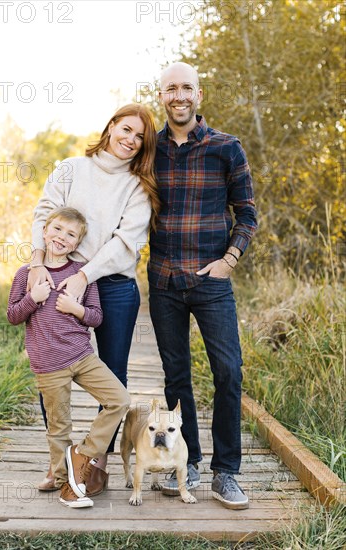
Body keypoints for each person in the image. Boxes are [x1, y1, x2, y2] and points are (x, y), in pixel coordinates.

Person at [28, 104, 160, 493]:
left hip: (114, 286)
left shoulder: (138, 186)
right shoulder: (71, 167)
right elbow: (44, 214)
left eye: (139, 137)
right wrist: (38, 262)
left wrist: (85, 274)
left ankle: (92, 462)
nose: (130, 140)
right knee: (51, 369)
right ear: (111, 127)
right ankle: (60, 464)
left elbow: (127, 243)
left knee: (113, 376)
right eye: (126, 129)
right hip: (57, 278)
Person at [148, 62, 258, 510]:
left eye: (186, 88)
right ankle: (187, 463)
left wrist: (229, 260)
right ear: (161, 96)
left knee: (228, 372)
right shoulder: (146, 151)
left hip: (212, 280)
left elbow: (247, 215)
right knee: (177, 378)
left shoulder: (226, 148)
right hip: (163, 282)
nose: (179, 95)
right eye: (170, 88)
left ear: (199, 95)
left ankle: (225, 473)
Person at [7, 207, 131, 508]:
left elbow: (96, 317)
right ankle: (66, 484)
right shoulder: (26, 274)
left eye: (71, 234)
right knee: (58, 427)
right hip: (48, 363)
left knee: (119, 399)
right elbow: (12, 315)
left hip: (82, 356)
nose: (62, 237)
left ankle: (84, 454)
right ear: (45, 232)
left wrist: (77, 310)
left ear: (76, 243)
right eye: (57, 230)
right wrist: (32, 300)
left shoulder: (82, 274)